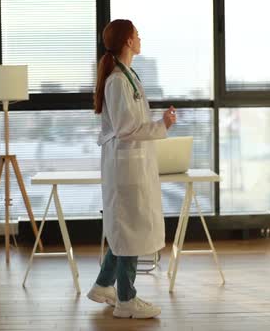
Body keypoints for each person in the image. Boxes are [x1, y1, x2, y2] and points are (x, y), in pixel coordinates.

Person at [86, 19, 177, 319]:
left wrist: (158, 126)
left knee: (127, 230)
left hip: (131, 165)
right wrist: (161, 125)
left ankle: (103, 285)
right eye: (136, 34)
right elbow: (126, 128)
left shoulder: (127, 76)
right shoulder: (117, 81)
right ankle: (126, 299)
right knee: (130, 230)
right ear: (127, 41)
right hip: (124, 168)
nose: (140, 38)